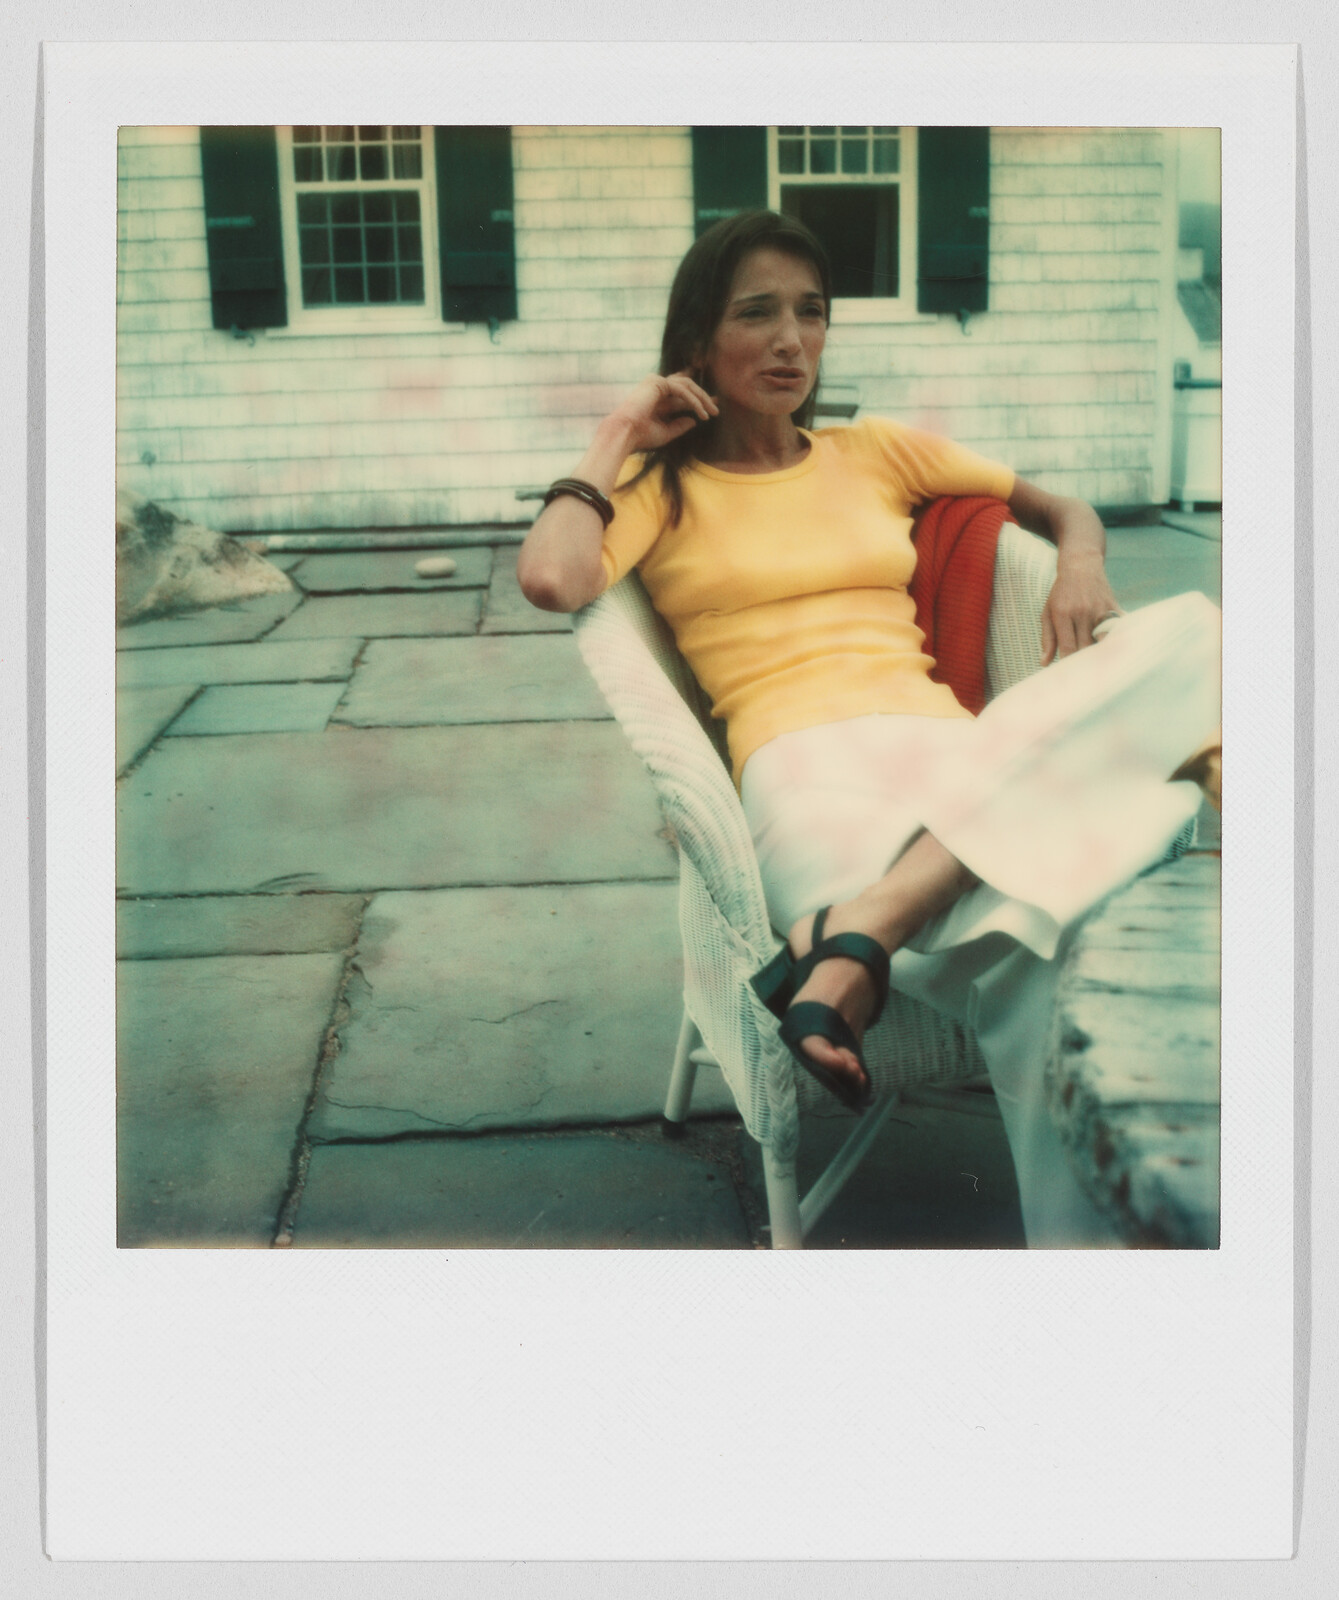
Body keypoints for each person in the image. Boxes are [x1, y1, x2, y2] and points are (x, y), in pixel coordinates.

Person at [517, 210, 1221, 1247]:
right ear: (697, 343)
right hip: (808, 777)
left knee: (1195, 632)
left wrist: (1079, 561)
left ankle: (861, 929)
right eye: (756, 314)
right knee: (1049, 937)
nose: (792, 340)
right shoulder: (660, 491)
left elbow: (1060, 506)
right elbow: (551, 575)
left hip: (957, 755)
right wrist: (620, 431)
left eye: (811, 312)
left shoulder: (875, 448)